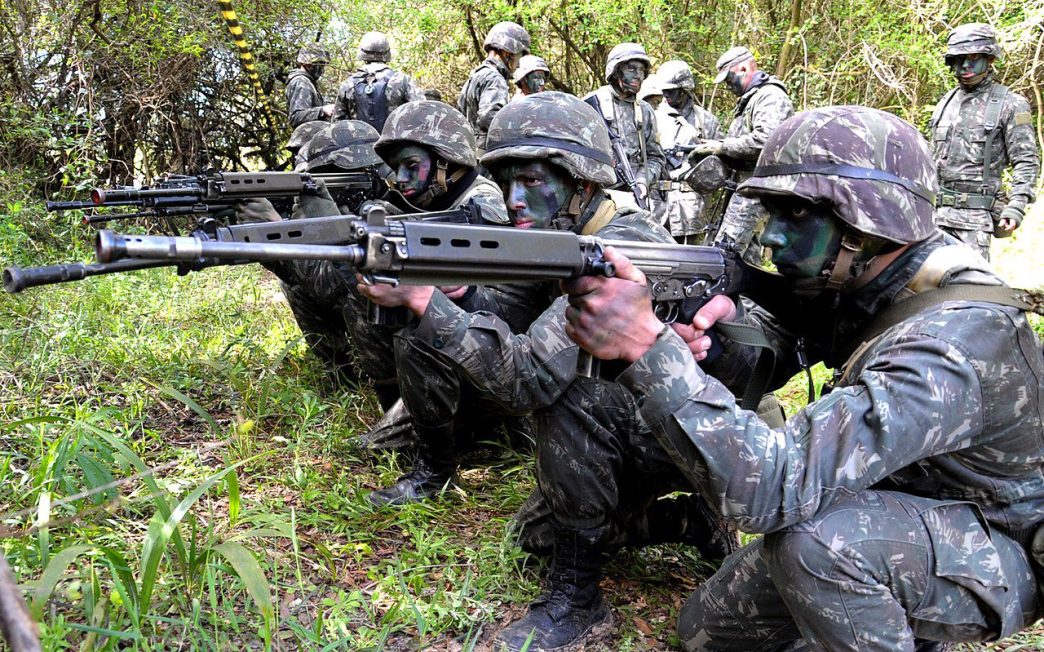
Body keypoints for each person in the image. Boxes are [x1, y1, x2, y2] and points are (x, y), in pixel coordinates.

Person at [562, 105, 1044, 651]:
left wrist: (645, 346)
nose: (769, 238)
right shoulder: (873, 279)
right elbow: (774, 359)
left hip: (999, 542)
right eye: (771, 213)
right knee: (705, 633)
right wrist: (711, 346)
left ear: (867, 223)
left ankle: (903, 614)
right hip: (894, 498)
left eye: (794, 214)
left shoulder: (950, 341)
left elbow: (767, 490)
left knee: (815, 546)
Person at [358, 92, 737, 651]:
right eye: (506, 180)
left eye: (531, 180)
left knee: (568, 390)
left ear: (583, 183)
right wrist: (459, 292)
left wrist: (424, 302)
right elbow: (502, 313)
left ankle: (579, 602)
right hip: (631, 425)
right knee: (535, 537)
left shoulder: (619, 246)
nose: (513, 198)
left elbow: (529, 377)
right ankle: (687, 525)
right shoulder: (556, 234)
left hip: (694, 436)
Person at [236, 120, 388, 385]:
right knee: (294, 285)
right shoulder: (342, 206)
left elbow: (339, 284)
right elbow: (303, 277)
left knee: (359, 293)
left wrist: (277, 228)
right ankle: (342, 374)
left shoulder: (388, 207)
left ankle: (381, 380)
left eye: (333, 174)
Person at [929, 22, 1039, 260]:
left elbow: (1026, 160)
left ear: (989, 59)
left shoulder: (1011, 104)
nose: (965, 65)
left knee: (967, 289)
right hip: (933, 218)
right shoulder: (946, 102)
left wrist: (1017, 205)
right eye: (959, 59)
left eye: (974, 57)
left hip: (974, 222)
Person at [692, 46, 793, 263]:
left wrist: (722, 147)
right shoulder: (753, 98)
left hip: (756, 191)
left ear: (744, 68)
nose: (728, 87)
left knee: (724, 256)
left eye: (729, 79)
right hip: (745, 188)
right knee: (746, 262)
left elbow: (766, 140)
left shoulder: (771, 96)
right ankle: (744, 298)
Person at [584, 43, 667, 213]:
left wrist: (643, 180)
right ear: (615, 72)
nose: (638, 76)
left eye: (642, 71)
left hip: (633, 197)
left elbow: (655, 158)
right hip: (595, 197)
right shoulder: (591, 104)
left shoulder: (644, 111)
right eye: (631, 69)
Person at [655, 59, 725, 244]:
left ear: (685, 88)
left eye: (671, 90)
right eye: (664, 90)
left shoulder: (706, 121)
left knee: (693, 260)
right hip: (659, 206)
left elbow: (719, 166)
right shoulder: (651, 117)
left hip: (693, 208)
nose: (665, 94)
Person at [458, 21, 531, 154]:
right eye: (519, 56)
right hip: (485, 156)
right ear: (508, 52)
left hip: (468, 151)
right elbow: (490, 118)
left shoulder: (477, 74)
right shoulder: (494, 78)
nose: (519, 64)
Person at [332, 31, 425, 131]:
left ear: (362, 53)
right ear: (387, 53)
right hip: (394, 144)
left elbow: (337, 125)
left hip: (358, 145)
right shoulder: (401, 80)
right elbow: (422, 114)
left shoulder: (348, 84)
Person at [286, 43, 334, 128]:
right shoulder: (301, 82)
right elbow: (296, 117)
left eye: (323, 65)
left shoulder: (308, 81)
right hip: (307, 138)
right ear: (307, 64)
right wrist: (323, 110)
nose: (322, 70)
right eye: (319, 64)